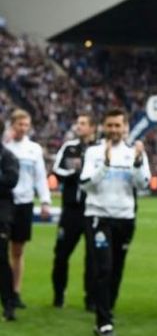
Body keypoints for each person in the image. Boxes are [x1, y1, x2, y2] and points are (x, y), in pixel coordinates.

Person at [80, 108, 151, 336]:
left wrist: (139, 162)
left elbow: (143, 185)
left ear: (125, 127)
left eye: (117, 125)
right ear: (103, 126)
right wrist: (105, 164)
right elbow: (85, 185)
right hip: (98, 216)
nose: (113, 130)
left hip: (125, 217)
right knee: (103, 268)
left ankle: (107, 309)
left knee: (117, 269)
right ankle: (104, 322)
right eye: (109, 125)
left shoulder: (135, 152)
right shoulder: (93, 153)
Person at [3, 109, 51, 309]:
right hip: (5, 202)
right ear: (12, 125)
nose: (22, 128)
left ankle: (15, 291)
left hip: (24, 203)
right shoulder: (4, 146)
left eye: (26, 125)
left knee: (18, 250)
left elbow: (40, 176)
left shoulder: (34, 149)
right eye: (19, 124)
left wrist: (45, 200)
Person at [51, 114, 97, 310]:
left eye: (83, 123)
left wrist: (83, 171)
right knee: (61, 254)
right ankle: (59, 294)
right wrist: (75, 172)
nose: (78, 126)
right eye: (77, 123)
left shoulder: (99, 150)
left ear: (93, 127)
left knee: (93, 257)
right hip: (71, 210)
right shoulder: (70, 148)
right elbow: (58, 171)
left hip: (92, 209)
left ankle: (91, 299)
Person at [0, 118, 20, 321]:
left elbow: (11, 180)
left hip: (1, 214)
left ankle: (8, 303)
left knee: (1, 259)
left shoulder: (7, 156)